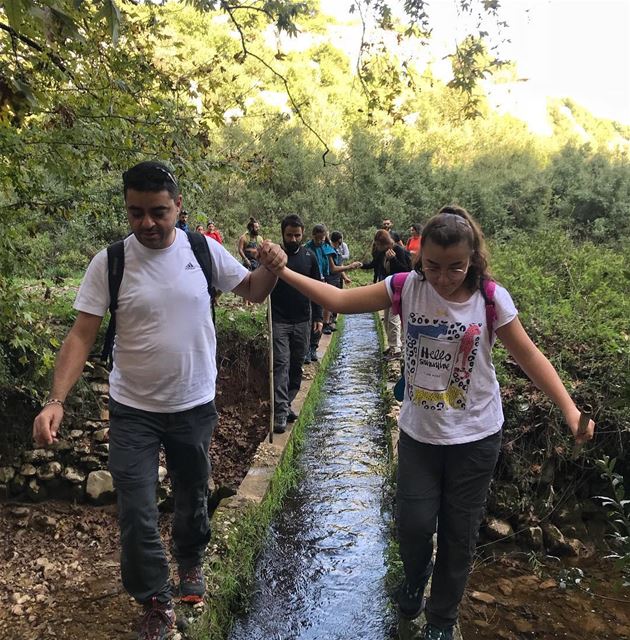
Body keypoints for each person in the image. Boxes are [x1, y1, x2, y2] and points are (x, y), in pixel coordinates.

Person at [257, 204, 595, 640]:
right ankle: (416, 576)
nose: (442, 276)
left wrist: (569, 410)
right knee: (414, 525)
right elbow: (339, 299)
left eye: (455, 267)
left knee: (460, 535)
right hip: (420, 435)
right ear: (419, 257)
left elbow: (528, 356)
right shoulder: (405, 287)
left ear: (471, 259)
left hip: (476, 437)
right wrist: (282, 271)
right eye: (432, 265)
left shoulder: (490, 298)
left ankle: (441, 621)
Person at [31, 161, 286, 640]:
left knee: (192, 495)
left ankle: (189, 562)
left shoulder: (201, 250)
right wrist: (55, 400)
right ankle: (154, 598)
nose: (146, 223)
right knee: (136, 508)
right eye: (135, 213)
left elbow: (252, 291)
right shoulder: (111, 262)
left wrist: (270, 270)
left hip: (193, 405)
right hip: (133, 409)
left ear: (178, 208)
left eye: (158, 212)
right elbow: (82, 334)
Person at [271, 214, 323, 433]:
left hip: (303, 319)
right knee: (280, 364)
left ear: (303, 235)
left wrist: (319, 317)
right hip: (278, 319)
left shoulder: (309, 257)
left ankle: (289, 400)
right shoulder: (274, 258)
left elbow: (317, 288)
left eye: (297, 235)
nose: (293, 239)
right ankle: (280, 411)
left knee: (295, 364)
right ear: (282, 234)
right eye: (289, 235)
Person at [305, 225, 360, 348]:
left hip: (322, 282)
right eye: (317, 239)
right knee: (309, 312)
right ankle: (307, 346)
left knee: (319, 312)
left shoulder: (327, 249)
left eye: (322, 239)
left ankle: (313, 346)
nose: (319, 241)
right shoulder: (307, 249)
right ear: (312, 236)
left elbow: (333, 268)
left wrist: (349, 267)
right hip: (309, 282)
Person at [361, 229, 411, 359]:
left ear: (384, 243)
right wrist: (360, 265)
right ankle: (391, 345)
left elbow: (406, 271)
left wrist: (393, 259)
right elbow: (374, 264)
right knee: (387, 319)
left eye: (378, 244)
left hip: (398, 289)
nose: (376, 247)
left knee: (394, 319)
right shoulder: (382, 253)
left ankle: (396, 349)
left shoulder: (398, 251)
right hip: (388, 289)